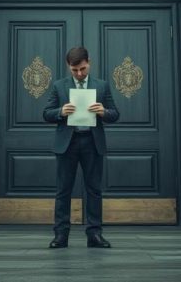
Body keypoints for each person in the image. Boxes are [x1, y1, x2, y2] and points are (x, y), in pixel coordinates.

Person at [42, 46, 120, 249]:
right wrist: (60, 111)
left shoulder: (102, 86)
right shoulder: (59, 86)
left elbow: (115, 114)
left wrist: (104, 111)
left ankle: (94, 235)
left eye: (83, 69)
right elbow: (46, 113)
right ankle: (61, 236)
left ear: (89, 63)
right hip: (67, 144)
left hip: (92, 143)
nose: (79, 74)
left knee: (94, 190)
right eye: (74, 70)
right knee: (63, 191)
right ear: (69, 66)